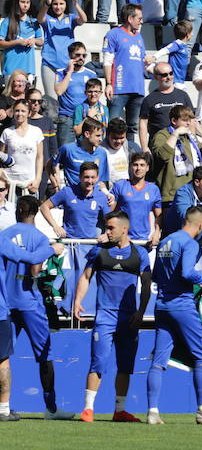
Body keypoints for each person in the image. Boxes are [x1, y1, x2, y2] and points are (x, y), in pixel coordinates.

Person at [147, 206, 202, 425]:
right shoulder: (190, 243)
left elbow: (155, 276)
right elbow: (186, 272)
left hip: (162, 306)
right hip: (181, 306)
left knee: (158, 361)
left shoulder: (165, 241)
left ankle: (152, 412)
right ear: (201, 225)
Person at [72, 210, 150, 423]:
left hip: (129, 319)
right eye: (106, 227)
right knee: (98, 363)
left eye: (110, 228)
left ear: (124, 229)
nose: (106, 231)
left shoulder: (139, 254)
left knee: (126, 366)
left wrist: (141, 312)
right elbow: (86, 277)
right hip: (104, 317)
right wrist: (77, 301)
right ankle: (88, 409)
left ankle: (119, 411)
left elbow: (146, 285)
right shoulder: (99, 251)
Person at [0, 196, 71, 420]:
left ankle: (3, 406)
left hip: (5, 303)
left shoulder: (5, 235)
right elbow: (34, 271)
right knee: (44, 354)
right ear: (35, 212)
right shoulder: (41, 239)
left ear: (19, 209)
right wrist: (51, 250)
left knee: (2, 357)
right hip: (29, 303)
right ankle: (51, 408)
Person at [151, 105, 202, 204]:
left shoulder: (190, 137)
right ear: (174, 120)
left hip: (193, 192)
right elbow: (162, 156)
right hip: (172, 195)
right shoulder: (162, 135)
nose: (189, 123)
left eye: (190, 120)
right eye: (185, 120)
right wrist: (175, 135)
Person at [103, 4, 147, 140]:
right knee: (114, 126)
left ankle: (130, 155)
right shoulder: (113, 34)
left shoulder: (139, 37)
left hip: (138, 89)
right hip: (119, 88)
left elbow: (143, 60)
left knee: (132, 127)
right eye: (139, 18)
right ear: (130, 18)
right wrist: (109, 83)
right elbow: (107, 61)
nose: (141, 21)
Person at [41, 0, 87, 105]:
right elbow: (39, 18)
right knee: (51, 100)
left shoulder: (70, 18)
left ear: (66, 4)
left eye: (61, 4)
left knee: (67, 98)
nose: (58, 7)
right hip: (49, 64)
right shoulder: (48, 18)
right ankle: (52, 123)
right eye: (55, 4)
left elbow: (83, 20)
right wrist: (47, 3)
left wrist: (76, 5)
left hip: (67, 65)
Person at [139, 62, 195, 152]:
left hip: (181, 143)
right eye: (164, 75)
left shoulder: (183, 95)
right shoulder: (149, 99)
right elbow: (143, 123)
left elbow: (192, 119)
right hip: (159, 144)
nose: (169, 77)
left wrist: (193, 140)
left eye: (171, 73)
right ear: (157, 77)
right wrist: (144, 147)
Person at [111, 153, 162, 245]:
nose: (139, 168)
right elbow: (109, 213)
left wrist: (157, 233)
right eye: (135, 165)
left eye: (142, 165)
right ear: (130, 166)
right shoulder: (120, 185)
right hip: (123, 240)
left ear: (147, 168)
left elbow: (159, 215)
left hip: (145, 240)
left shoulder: (153, 189)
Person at [0, 98, 43, 194]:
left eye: (23, 111)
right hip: (10, 182)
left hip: (30, 183)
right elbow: (1, 157)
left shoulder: (36, 132)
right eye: (17, 111)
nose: (20, 114)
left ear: (29, 113)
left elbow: (39, 157)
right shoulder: (7, 132)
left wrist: (38, 180)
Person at [54, 117, 110, 188]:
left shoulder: (102, 153)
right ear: (87, 134)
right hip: (72, 196)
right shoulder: (68, 149)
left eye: (101, 136)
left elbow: (103, 181)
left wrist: (106, 194)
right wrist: (56, 185)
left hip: (94, 196)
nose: (101, 139)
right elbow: (51, 164)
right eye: (97, 136)